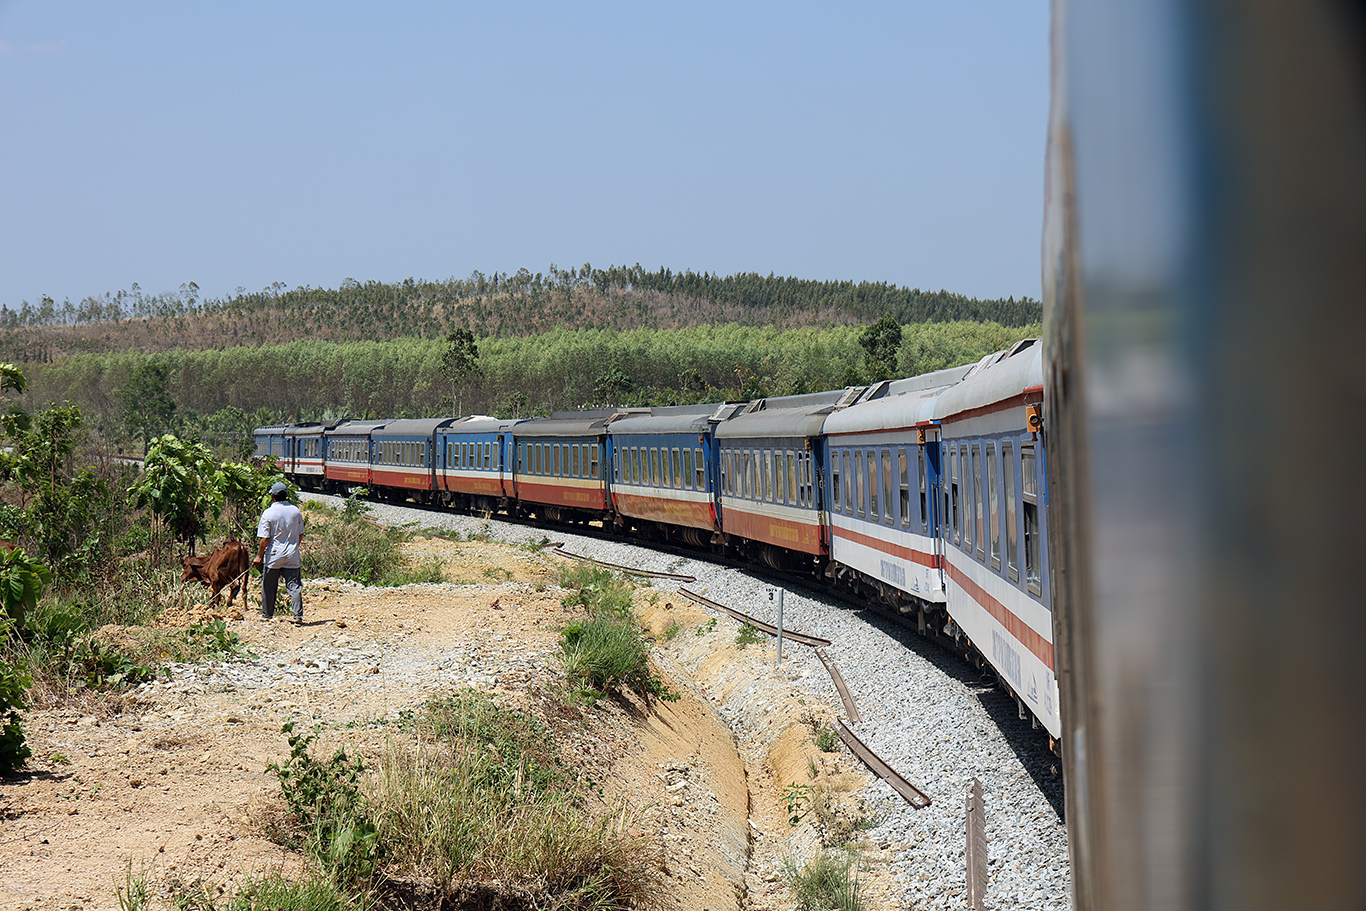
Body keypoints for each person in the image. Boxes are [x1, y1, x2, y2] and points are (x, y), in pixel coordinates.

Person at [255, 481, 305, 623]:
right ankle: (298, 616)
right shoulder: (295, 511)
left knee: (269, 587)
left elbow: (265, 539)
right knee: (294, 586)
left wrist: (259, 556)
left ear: (272, 496)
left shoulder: (268, 513)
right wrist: (294, 547)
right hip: (292, 555)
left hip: (274, 556)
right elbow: (301, 534)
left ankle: (267, 615)